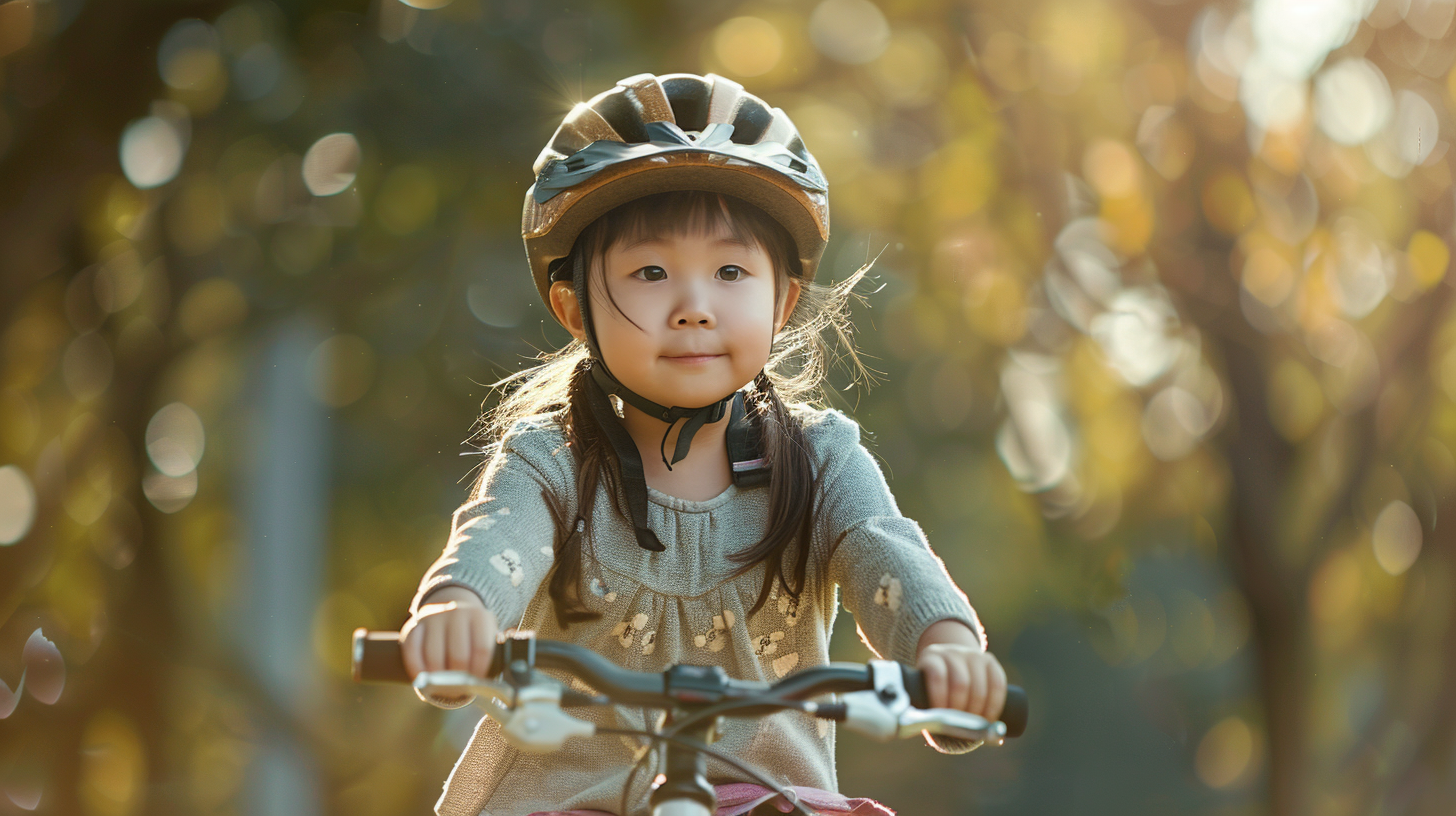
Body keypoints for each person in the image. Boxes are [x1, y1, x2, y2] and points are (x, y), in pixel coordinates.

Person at [399, 72, 1006, 816]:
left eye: (729, 271)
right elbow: (498, 540)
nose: (694, 308)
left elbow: (884, 549)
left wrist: (944, 648)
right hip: (573, 800)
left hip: (770, 802)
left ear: (781, 299)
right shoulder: (550, 461)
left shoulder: (819, 462)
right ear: (574, 308)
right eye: (650, 273)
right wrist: (461, 614)